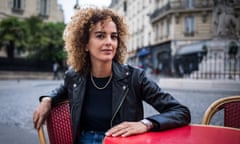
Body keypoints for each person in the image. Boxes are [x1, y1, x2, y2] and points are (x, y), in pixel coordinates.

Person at [33, 6, 191, 144]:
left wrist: (145, 123)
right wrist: (47, 100)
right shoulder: (75, 76)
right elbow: (60, 91)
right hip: (84, 140)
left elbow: (180, 111)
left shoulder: (135, 77)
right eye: (100, 36)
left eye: (113, 36)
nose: (109, 42)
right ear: (85, 44)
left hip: (121, 142)